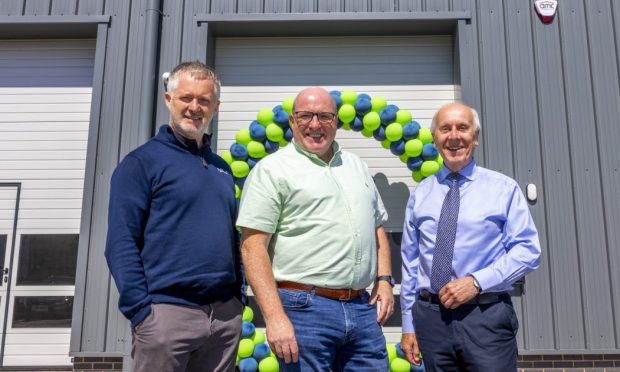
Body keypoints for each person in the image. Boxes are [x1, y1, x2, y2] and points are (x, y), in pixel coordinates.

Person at [237, 87, 395, 371]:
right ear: (292, 120)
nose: (315, 124)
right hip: (303, 310)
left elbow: (377, 226)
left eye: (324, 116)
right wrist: (274, 318)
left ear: (336, 120)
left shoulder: (356, 165)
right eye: (305, 116)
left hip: (361, 309)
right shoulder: (272, 170)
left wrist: (384, 279)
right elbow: (252, 247)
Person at [105, 61, 243, 372]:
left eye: (204, 101)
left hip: (223, 319)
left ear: (215, 107)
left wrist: (237, 301)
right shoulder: (141, 163)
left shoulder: (221, 168)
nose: (195, 107)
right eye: (186, 98)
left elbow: (231, 237)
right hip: (166, 316)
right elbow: (120, 242)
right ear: (169, 100)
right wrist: (141, 311)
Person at [400, 102, 541, 371]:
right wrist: (408, 324)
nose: (454, 136)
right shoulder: (420, 194)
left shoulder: (503, 189)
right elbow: (410, 262)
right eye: (445, 129)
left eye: (462, 128)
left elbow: (528, 251)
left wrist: (477, 282)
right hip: (431, 320)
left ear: (475, 137)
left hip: (485, 317)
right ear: (435, 139)